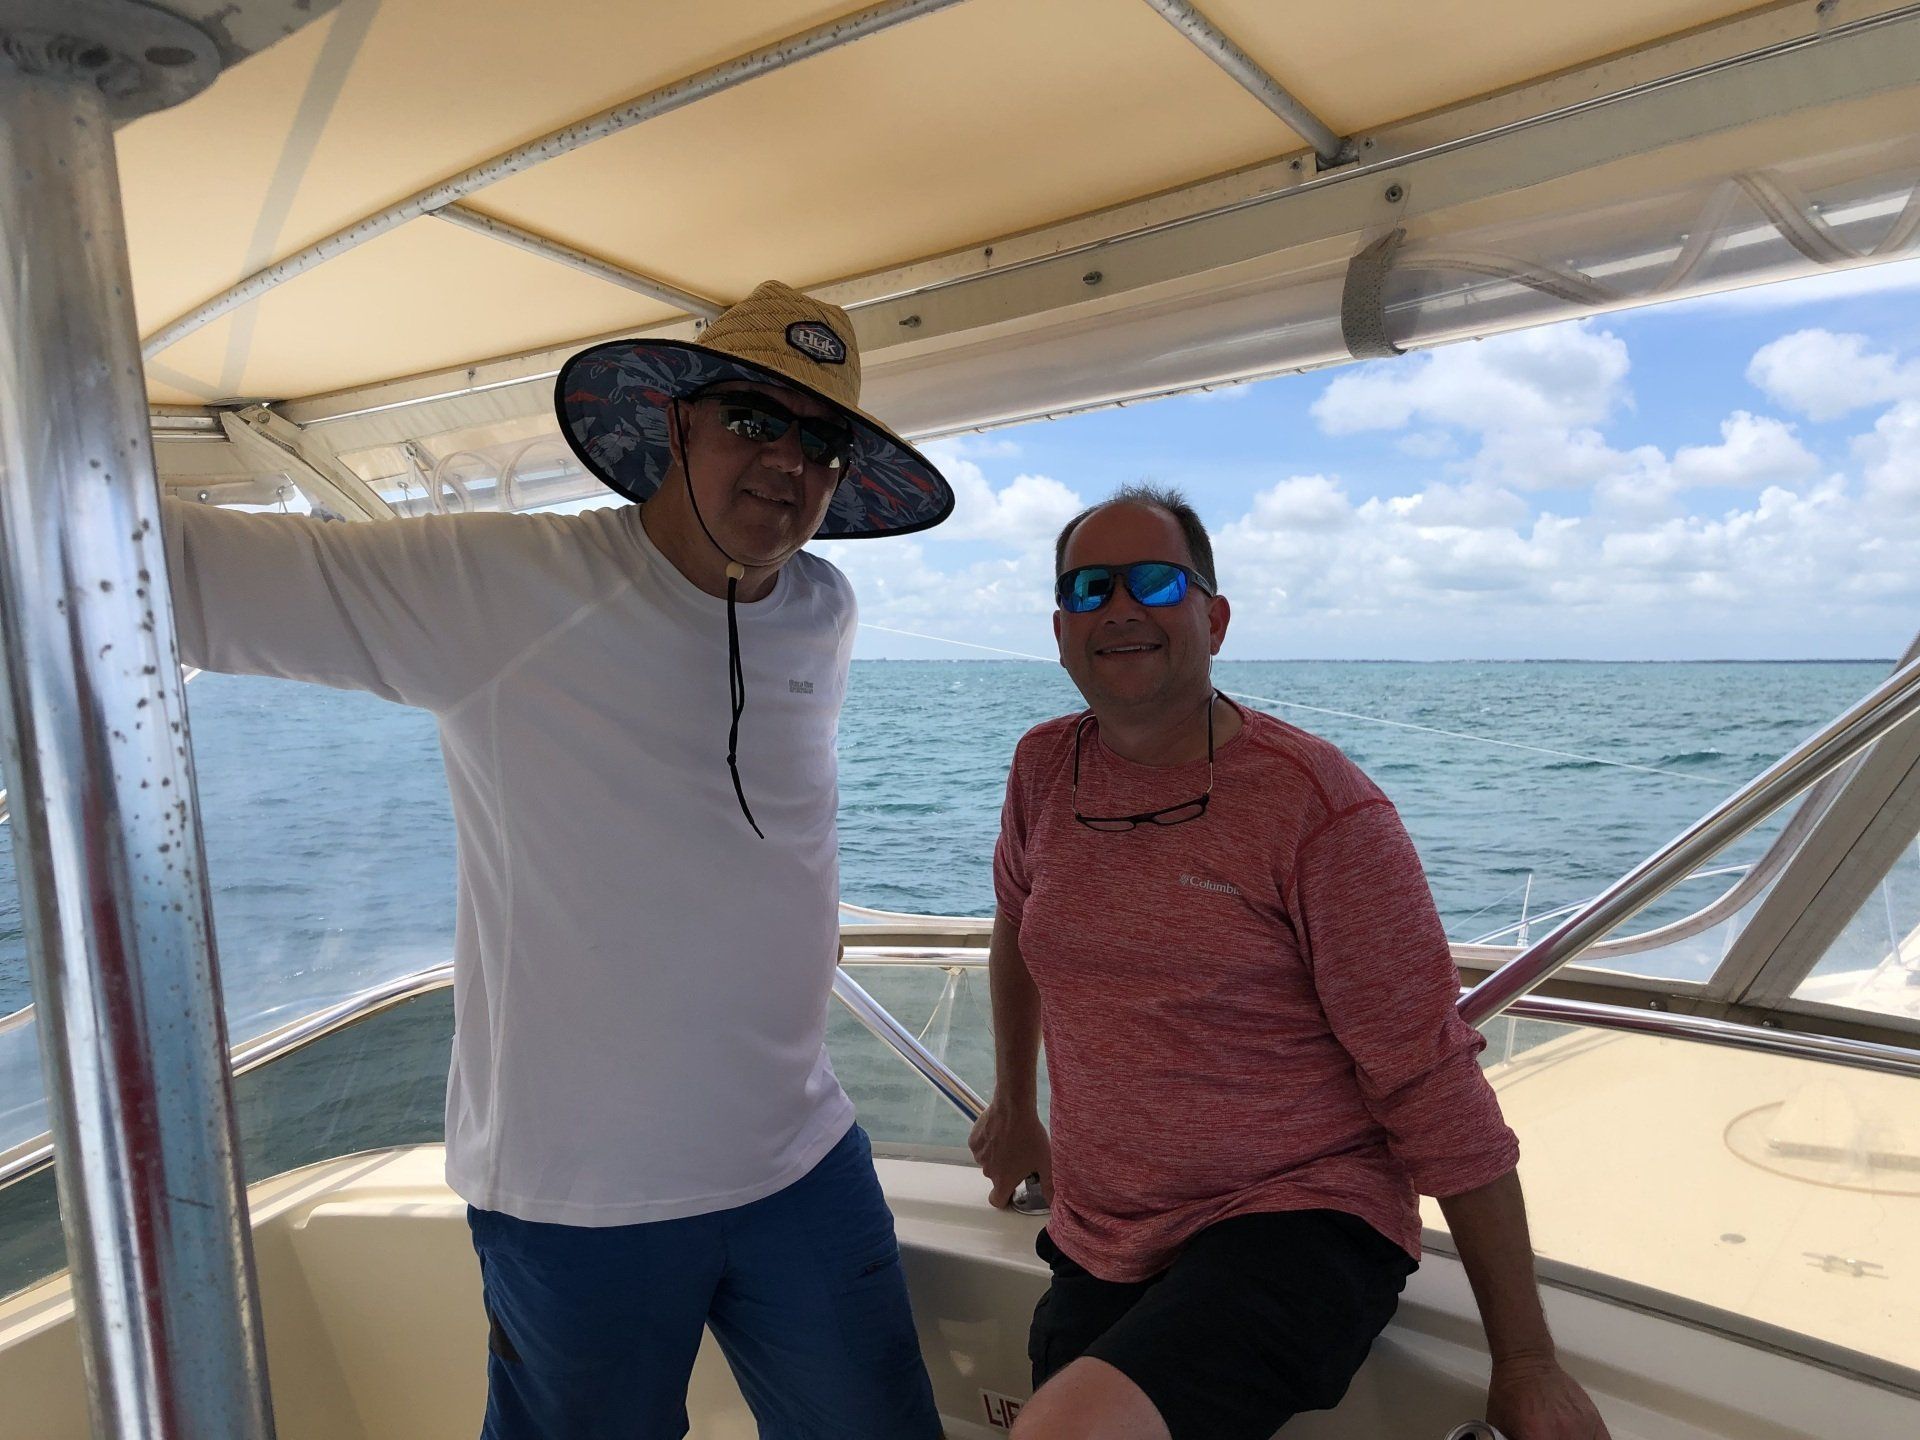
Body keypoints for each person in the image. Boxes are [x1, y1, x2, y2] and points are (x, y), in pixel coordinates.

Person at [161, 282, 954, 1439]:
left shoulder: (822, 609)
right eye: (754, 420)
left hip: (799, 1156)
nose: (788, 462)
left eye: (822, 440)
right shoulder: (504, 589)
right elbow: (196, 576)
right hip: (584, 1197)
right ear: (678, 423)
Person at [968, 484, 1611, 1440]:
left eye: (1154, 581)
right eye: (1089, 589)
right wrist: (1017, 1106)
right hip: (1106, 1228)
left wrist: (1525, 1360)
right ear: (1061, 631)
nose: (1121, 609)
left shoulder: (1321, 809)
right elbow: (1019, 929)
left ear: (1214, 619)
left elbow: (1431, 1083)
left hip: (1301, 1215)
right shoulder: (1043, 767)